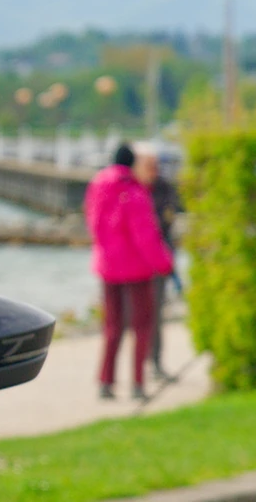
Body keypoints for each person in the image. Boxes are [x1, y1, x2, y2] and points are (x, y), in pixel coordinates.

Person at [85, 143, 175, 401]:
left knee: (112, 326)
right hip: (136, 269)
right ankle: (137, 383)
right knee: (141, 327)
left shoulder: (98, 184)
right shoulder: (134, 191)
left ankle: (106, 381)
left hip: (107, 266)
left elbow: (92, 221)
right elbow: (145, 235)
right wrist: (164, 264)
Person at [135, 145, 184, 382]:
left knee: (155, 315)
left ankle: (154, 363)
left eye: (155, 165)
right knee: (135, 317)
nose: (153, 170)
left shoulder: (164, 189)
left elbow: (167, 222)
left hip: (158, 260)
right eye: (148, 165)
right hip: (135, 262)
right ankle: (136, 368)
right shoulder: (133, 189)